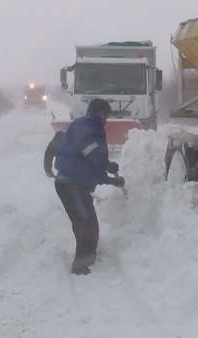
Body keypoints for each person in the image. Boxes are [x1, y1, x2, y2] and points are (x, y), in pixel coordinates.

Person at [45, 98, 124, 275]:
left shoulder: (87, 125)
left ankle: (87, 258)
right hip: (71, 185)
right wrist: (105, 165)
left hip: (75, 184)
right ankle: (80, 266)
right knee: (85, 226)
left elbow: (90, 164)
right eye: (107, 115)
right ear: (101, 112)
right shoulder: (86, 125)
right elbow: (89, 152)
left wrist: (108, 171)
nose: (107, 120)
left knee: (88, 224)